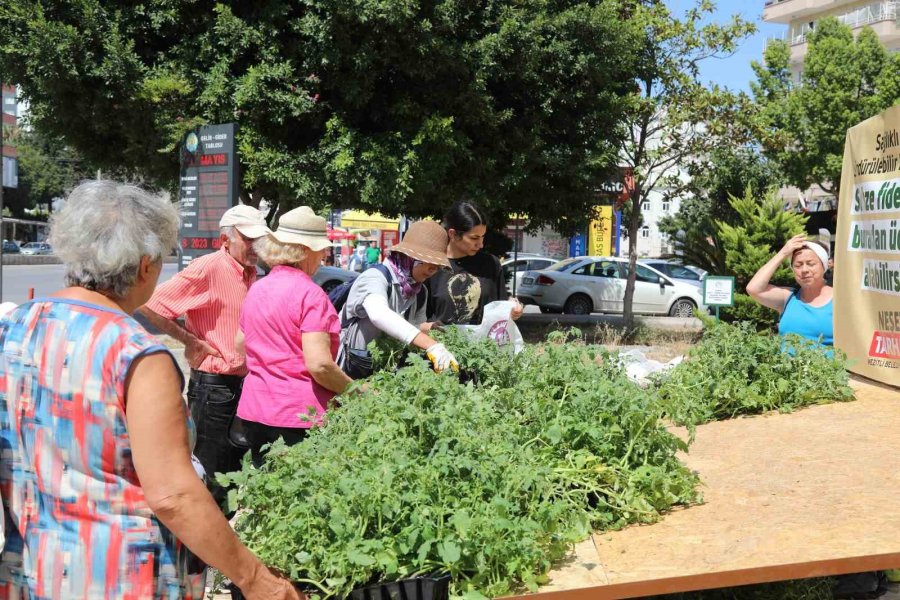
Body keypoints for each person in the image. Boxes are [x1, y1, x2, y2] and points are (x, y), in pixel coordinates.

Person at [0, 181, 299, 600]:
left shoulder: (12, 328)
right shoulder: (137, 354)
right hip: (122, 578)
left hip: (32, 572)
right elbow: (173, 494)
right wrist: (256, 579)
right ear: (144, 266)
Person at [139, 204, 269, 512]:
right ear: (226, 240)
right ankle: (200, 556)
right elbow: (151, 304)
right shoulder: (209, 267)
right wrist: (189, 340)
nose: (255, 247)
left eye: (258, 239)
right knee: (209, 478)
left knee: (234, 475)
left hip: (241, 385)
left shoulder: (251, 272)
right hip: (214, 389)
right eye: (248, 239)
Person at [236, 206, 352, 466]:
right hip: (298, 416)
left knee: (263, 489)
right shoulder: (310, 294)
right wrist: (353, 389)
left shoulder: (257, 288)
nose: (323, 256)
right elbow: (319, 365)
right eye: (321, 249)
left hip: (255, 410)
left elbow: (240, 343)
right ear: (305, 250)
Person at [339, 220, 458, 377]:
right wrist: (430, 344)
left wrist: (427, 328)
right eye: (427, 261)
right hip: (351, 371)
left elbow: (410, 327)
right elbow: (379, 314)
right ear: (408, 257)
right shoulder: (375, 277)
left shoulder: (420, 291)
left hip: (385, 372)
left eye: (437, 265)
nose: (432, 269)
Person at [427, 201, 524, 325]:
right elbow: (418, 319)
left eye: (482, 237)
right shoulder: (432, 265)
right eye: (474, 238)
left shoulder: (490, 264)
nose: (481, 244)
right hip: (439, 343)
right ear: (453, 234)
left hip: (483, 344)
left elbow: (500, 308)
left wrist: (513, 307)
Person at [746, 234, 833, 345]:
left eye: (811, 264)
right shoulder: (788, 298)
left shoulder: (838, 299)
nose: (804, 270)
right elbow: (753, 289)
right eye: (798, 265)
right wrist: (782, 253)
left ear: (823, 267)